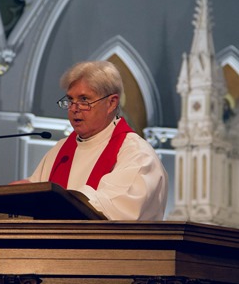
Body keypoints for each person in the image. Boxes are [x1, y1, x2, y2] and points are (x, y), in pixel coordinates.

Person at [11, 60, 168, 220]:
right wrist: (22, 192)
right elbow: (38, 192)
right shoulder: (60, 150)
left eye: (84, 100)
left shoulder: (136, 153)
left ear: (111, 103)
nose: (74, 108)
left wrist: (58, 199)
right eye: (71, 100)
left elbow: (116, 208)